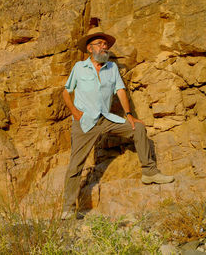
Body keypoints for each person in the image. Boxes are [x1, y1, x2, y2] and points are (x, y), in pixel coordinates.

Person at [61, 27, 174, 219]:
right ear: (90, 48)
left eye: (105, 44)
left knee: (138, 127)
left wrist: (129, 114)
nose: (104, 47)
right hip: (84, 122)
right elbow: (66, 91)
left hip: (106, 118)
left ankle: (149, 172)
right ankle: (68, 208)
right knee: (75, 165)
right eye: (100, 44)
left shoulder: (111, 68)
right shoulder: (79, 67)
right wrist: (74, 111)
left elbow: (120, 90)